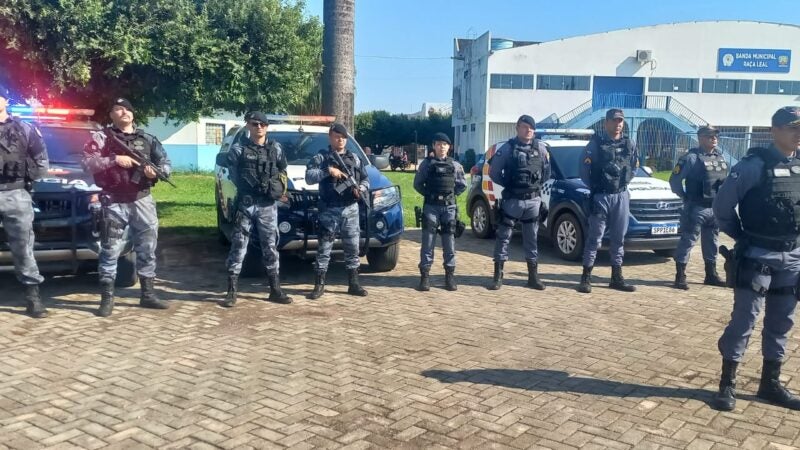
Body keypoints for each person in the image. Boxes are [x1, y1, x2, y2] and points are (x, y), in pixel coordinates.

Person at [710, 106, 800, 412]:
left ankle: (770, 384)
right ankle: (727, 384)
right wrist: (744, 239)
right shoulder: (752, 166)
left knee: (782, 321)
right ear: (774, 130)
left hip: (792, 257)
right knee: (744, 319)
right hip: (758, 254)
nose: (798, 134)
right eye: (792, 127)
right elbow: (723, 209)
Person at [81, 98, 171, 317]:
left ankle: (148, 294)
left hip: (142, 200)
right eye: (118, 109)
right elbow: (87, 163)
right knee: (110, 249)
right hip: (113, 201)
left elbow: (166, 165)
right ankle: (107, 298)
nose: (124, 112)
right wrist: (114, 159)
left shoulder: (148, 139)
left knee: (147, 248)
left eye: (127, 109)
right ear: (111, 115)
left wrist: (156, 172)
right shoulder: (101, 138)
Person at [215, 111, 291, 307]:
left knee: (270, 247)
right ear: (248, 126)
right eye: (254, 124)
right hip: (246, 204)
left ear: (267, 127)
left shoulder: (276, 149)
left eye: (262, 124)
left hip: (267, 205)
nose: (258, 127)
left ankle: (275, 290)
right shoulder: (239, 150)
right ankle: (231, 292)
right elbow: (224, 162)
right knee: (239, 246)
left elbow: (283, 169)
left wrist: (278, 188)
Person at [576, 108, 639, 294]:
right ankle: (585, 277)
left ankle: (616, 277)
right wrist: (595, 188)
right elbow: (583, 170)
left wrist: (623, 183)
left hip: (620, 195)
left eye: (621, 120)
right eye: (614, 120)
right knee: (595, 238)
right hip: (601, 196)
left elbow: (634, 166)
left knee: (619, 238)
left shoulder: (630, 143)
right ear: (606, 123)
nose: (618, 123)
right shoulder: (595, 144)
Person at [0, 84, 49, 318]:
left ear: (5, 100)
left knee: (23, 246)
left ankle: (32, 297)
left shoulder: (24, 129)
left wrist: (28, 185)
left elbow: (41, 161)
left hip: (15, 193)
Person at [305, 123, 370, 300]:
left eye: (343, 137)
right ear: (330, 138)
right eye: (336, 136)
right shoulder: (321, 157)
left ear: (346, 139)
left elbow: (365, 179)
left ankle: (353, 284)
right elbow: (309, 177)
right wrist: (328, 171)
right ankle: (319, 285)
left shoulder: (355, 158)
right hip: (329, 209)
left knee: (352, 247)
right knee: (324, 248)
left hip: (350, 208)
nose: (340, 140)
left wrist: (361, 189)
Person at [487, 115, 550, 291]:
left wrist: (534, 187)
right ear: (517, 128)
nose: (528, 130)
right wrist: (509, 184)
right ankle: (498, 276)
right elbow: (494, 172)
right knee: (504, 237)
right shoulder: (507, 148)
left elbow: (547, 172)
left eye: (531, 128)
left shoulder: (541, 148)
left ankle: (533, 277)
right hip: (512, 200)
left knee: (532, 239)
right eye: (524, 127)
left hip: (533, 200)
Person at [669, 125, 727, 289]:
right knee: (688, 240)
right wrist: (685, 196)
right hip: (696, 207)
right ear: (701, 138)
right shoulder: (691, 158)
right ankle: (680, 276)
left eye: (716, 136)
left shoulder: (719, 156)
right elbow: (675, 180)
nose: (714, 139)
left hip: (714, 207)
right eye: (710, 136)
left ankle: (711, 274)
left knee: (712, 241)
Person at [413, 132, 466, 291]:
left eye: (444, 144)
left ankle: (449, 276)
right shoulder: (426, 164)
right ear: (434, 146)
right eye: (438, 144)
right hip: (431, 206)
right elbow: (417, 184)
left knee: (449, 241)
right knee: (428, 241)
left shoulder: (455, 165)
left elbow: (462, 185)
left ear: (449, 147)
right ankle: (425, 277)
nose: (441, 147)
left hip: (448, 208)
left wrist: (449, 196)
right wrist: (430, 195)